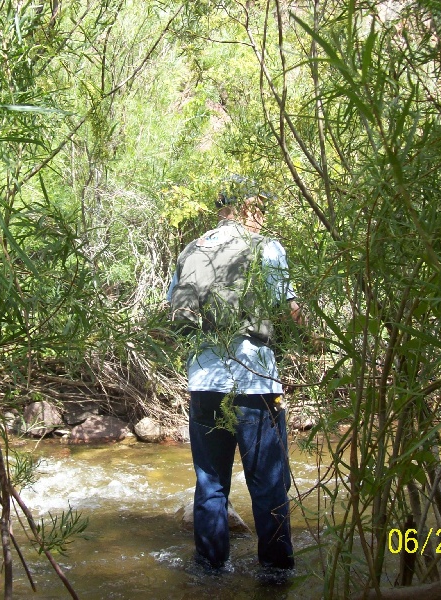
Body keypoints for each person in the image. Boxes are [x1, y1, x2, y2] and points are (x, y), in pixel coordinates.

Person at [166, 179, 304, 572]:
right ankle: (277, 573)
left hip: (203, 382)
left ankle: (209, 572)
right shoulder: (267, 247)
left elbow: (174, 311)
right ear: (247, 206)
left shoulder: (191, 249)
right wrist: (311, 335)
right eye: (262, 205)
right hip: (253, 380)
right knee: (268, 482)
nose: (265, 213)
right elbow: (288, 308)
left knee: (211, 484)